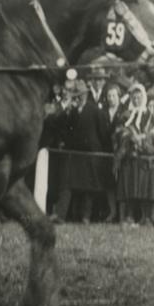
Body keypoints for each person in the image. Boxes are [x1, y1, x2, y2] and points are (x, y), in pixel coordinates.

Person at [51, 80, 105, 224]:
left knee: (89, 187)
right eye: (76, 95)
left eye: (80, 95)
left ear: (86, 94)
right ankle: (60, 215)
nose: (78, 98)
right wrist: (67, 111)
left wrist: (100, 153)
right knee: (67, 184)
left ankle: (85, 216)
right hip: (75, 153)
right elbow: (64, 128)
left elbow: (103, 133)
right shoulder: (72, 111)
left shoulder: (95, 111)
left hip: (91, 154)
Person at [114, 83, 154, 227]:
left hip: (145, 156)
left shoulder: (149, 115)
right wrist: (129, 137)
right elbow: (118, 131)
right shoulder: (126, 115)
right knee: (130, 185)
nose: (137, 100)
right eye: (134, 98)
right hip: (130, 156)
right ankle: (129, 215)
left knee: (144, 186)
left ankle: (146, 217)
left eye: (139, 98)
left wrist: (144, 139)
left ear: (143, 98)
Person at [99, 82, 125, 222]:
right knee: (109, 183)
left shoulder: (124, 111)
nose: (111, 98)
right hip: (106, 151)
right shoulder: (103, 112)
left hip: (120, 152)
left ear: (119, 97)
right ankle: (112, 211)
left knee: (120, 182)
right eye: (109, 96)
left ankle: (121, 214)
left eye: (114, 95)